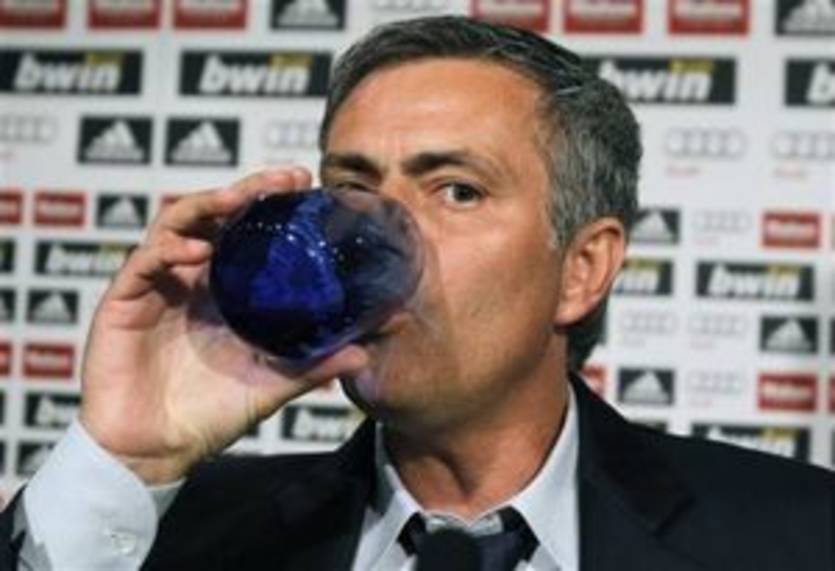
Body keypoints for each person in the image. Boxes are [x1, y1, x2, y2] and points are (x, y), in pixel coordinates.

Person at [2, 15, 834, 571]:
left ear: (581, 268)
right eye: (351, 188)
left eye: (456, 191)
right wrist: (128, 456)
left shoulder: (797, 534)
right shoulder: (163, 533)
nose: (370, 236)